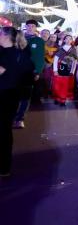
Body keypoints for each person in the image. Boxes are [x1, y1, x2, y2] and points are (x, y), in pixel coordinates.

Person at [0, 26, 34, 178]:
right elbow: (29, 74)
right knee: (5, 131)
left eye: (0, 33)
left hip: (3, 95)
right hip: (12, 97)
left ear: (6, 36)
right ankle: (4, 167)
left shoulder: (5, 54)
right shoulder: (21, 53)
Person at [14, 20, 44, 129]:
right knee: (13, 95)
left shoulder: (39, 41)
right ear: (25, 27)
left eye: (33, 26)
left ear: (36, 28)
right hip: (15, 71)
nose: (31, 27)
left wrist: (37, 71)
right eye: (29, 26)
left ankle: (20, 118)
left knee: (25, 96)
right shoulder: (18, 38)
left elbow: (40, 57)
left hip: (29, 72)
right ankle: (12, 116)